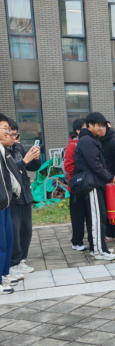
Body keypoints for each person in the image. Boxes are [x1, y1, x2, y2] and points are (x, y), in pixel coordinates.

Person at [73, 112, 115, 260]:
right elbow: (95, 164)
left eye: (103, 126)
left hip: (95, 182)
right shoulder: (88, 141)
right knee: (97, 217)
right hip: (92, 184)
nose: (102, 128)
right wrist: (110, 177)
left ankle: (99, 247)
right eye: (98, 125)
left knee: (98, 216)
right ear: (90, 125)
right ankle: (99, 251)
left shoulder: (92, 139)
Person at [3, 119, 40, 277]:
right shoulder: (3, 152)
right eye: (10, 134)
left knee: (26, 230)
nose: (13, 138)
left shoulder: (18, 147)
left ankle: (21, 260)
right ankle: (13, 263)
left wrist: (35, 158)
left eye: (16, 135)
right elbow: (10, 172)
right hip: (12, 198)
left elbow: (32, 167)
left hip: (25, 195)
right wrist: (25, 161)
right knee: (14, 232)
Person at [65, 119, 89, 251]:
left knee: (87, 214)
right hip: (77, 186)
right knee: (78, 215)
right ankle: (76, 242)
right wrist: (81, 175)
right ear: (78, 131)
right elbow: (68, 166)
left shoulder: (87, 143)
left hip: (87, 185)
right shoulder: (72, 146)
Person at [100, 121, 115, 243]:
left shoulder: (114, 142)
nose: (100, 129)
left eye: (102, 126)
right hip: (102, 178)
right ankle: (108, 232)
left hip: (114, 179)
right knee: (105, 206)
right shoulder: (96, 141)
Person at [0, 114, 15, 293]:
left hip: (5, 203)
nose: (8, 132)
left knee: (7, 241)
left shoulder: (3, 150)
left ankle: (3, 274)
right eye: (4, 128)